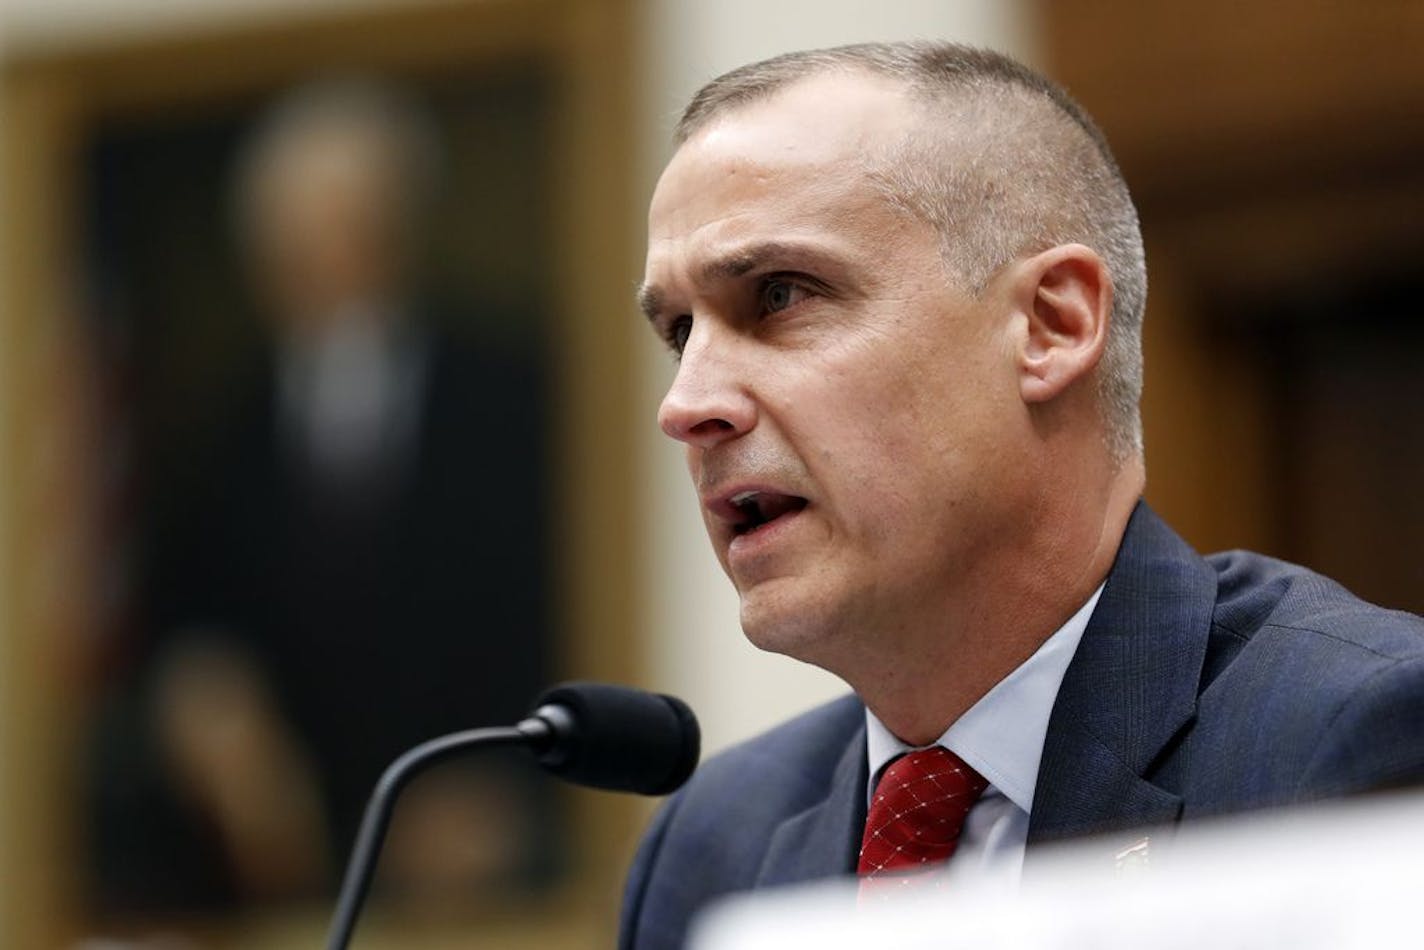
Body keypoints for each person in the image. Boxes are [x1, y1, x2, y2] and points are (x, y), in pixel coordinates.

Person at [620, 41, 1424, 949]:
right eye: (680, 331)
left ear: (1051, 325)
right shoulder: (713, 843)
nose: (686, 404)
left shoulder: (1359, 736)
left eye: (779, 295)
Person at [87, 80, 554, 914]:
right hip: (290, 872)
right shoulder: (227, 431)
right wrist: (203, 700)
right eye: (287, 238)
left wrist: (514, 786)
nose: (315, 261)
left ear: (398, 226)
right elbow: (190, 620)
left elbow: (563, 607)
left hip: (490, 856)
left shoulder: (512, 395)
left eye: (344, 225)